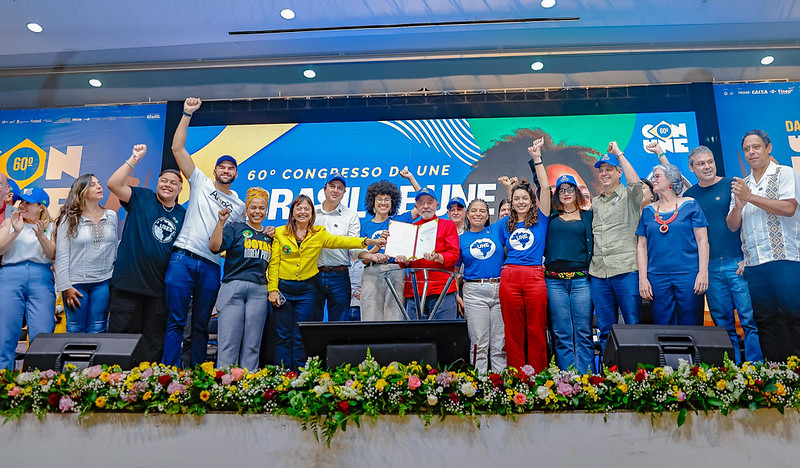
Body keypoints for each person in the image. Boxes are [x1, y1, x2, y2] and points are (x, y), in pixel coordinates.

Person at [164, 97, 247, 368]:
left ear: (235, 173)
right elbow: (177, 148)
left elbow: (237, 239)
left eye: (231, 168)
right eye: (222, 167)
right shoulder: (199, 182)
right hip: (183, 258)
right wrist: (187, 113)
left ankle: (195, 374)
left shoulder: (239, 206)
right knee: (175, 321)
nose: (226, 170)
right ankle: (167, 374)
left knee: (200, 324)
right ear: (215, 171)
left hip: (211, 266)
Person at [268, 195, 385, 370]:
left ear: (312, 214)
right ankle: (282, 374)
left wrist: (368, 242)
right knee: (282, 335)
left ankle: (301, 375)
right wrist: (273, 289)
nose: (302, 212)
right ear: (292, 213)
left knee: (301, 335)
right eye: (298, 208)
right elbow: (274, 263)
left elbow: (342, 241)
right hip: (283, 289)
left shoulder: (319, 233)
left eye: (306, 208)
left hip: (307, 291)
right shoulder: (279, 232)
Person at [106, 144, 186, 363]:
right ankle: (115, 385)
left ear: (180, 189)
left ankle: (147, 388)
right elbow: (113, 184)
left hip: (159, 290)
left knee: (152, 343)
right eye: (164, 180)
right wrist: (134, 159)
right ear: (157, 183)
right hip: (127, 285)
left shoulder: (183, 214)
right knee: (120, 341)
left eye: (174, 183)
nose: (168, 185)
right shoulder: (142, 197)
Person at [727, 129, 800, 362]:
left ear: (768, 148)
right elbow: (731, 225)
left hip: (785, 259)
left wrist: (750, 198)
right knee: (764, 319)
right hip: (755, 263)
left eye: (756, 147)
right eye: (747, 149)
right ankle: (775, 373)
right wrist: (738, 205)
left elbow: (789, 208)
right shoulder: (742, 184)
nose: (751, 152)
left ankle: (796, 372)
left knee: (792, 315)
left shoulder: (784, 173)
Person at [684, 146, 762, 363]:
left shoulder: (733, 186)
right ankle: (732, 373)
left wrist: (747, 258)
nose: (707, 166)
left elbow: (750, 224)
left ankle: (757, 372)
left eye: (710, 161)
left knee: (750, 320)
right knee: (723, 324)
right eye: (701, 163)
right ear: (691, 168)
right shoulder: (689, 197)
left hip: (738, 263)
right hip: (709, 267)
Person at [498, 138, 551, 372]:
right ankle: (516, 379)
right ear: (511, 201)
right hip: (509, 278)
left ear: (532, 202)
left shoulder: (541, 220)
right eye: (516, 199)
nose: (520, 202)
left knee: (536, 329)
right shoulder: (504, 225)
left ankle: (539, 378)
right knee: (513, 332)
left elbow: (546, 189)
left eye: (525, 199)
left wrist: (537, 159)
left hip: (534, 277)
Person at [589, 141, 643, 354]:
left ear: (619, 172)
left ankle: (636, 377)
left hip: (626, 270)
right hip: (599, 273)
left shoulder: (630, 197)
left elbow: (636, 183)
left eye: (609, 169)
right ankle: (608, 376)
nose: (604, 174)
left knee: (632, 325)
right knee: (605, 330)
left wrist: (619, 154)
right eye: (601, 171)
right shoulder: (595, 202)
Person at [637, 164, 709, 325]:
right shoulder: (648, 211)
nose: (653, 180)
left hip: (688, 274)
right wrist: (643, 279)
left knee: (692, 324)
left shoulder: (690, 204)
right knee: (663, 324)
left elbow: (702, 240)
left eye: (657, 176)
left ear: (671, 180)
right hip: (657, 276)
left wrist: (703, 272)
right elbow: (641, 246)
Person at [210, 187, 272, 370]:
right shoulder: (235, 228)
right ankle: (226, 385)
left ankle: (249, 386)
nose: (257, 212)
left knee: (252, 344)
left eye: (261, 208)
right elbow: (214, 247)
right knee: (229, 342)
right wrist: (220, 223)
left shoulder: (271, 236)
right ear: (246, 209)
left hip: (259, 291)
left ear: (266, 210)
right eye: (253, 207)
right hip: (232, 287)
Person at [55, 174, 118, 333]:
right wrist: (66, 286)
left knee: (99, 327)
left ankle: (96, 360)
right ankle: (74, 360)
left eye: (99, 183)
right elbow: (61, 255)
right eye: (93, 184)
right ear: (81, 191)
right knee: (75, 328)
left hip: (103, 282)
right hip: (76, 284)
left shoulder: (111, 216)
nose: (99, 186)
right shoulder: (68, 219)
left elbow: (114, 249)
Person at [0, 187, 55, 369]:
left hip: (41, 277)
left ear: (41, 207)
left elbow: (52, 254)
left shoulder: (51, 225)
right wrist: (16, 231)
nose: (21, 205)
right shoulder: (11, 221)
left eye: (27, 202)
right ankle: (3, 383)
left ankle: (38, 386)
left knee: (43, 332)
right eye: (20, 201)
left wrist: (41, 236)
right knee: (5, 333)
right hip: (10, 275)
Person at [544, 174, 594, 373]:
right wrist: (536, 161)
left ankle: (587, 381)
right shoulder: (550, 218)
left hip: (581, 281)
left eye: (570, 189)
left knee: (583, 332)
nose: (566, 193)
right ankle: (567, 382)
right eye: (561, 190)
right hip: (554, 282)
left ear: (577, 191)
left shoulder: (588, 216)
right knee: (562, 333)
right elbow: (540, 187)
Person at [358, 171, 420, 321]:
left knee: (395, 318)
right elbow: (364, 259)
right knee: (370, 317)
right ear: (373, 202)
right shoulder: (364, 225)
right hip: (371, 272)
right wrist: (377, 247)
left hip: (396, 271)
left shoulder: (400, 219)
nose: (383, 203)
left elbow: (422, 204)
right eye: (379, 199)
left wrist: (411, 178)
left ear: (393, 203)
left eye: (387, 199)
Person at [395, 188, 460, 320]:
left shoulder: (447, 225)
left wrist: (438, 257)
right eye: (421, 203)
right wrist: (404, 260)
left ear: (437, 205)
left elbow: (454, 256)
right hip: (415, 290)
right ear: (416, 207)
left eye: (429, 202)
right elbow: (408, 260)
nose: (425, 206)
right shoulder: (411, 228)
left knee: (444, 334)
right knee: (417, 336)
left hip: (442, 288)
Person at [458, 199, 506, 373]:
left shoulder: (496, 230)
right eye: (474, 211)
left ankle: (500, 386)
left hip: (500, 289)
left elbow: (514, 214)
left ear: (487, 215)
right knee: (479, 341)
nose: (478, 214)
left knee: (500, 342)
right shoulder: (461, 239)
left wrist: (511, 188)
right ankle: (479, 387)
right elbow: (456, 271)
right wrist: (456, 294)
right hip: (474, 293)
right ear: (467, 215)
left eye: (482, 211)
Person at [315, 174, 363, 322]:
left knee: (339, 324)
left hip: (339, 276)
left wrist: (371, 254)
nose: (335, 190)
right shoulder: (311, 213)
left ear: (344, 192)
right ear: (324, 189)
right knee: (311, 322)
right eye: (332, 186)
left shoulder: (351, 216)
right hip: (312, 275)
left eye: (340, 188)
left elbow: (354, 247)